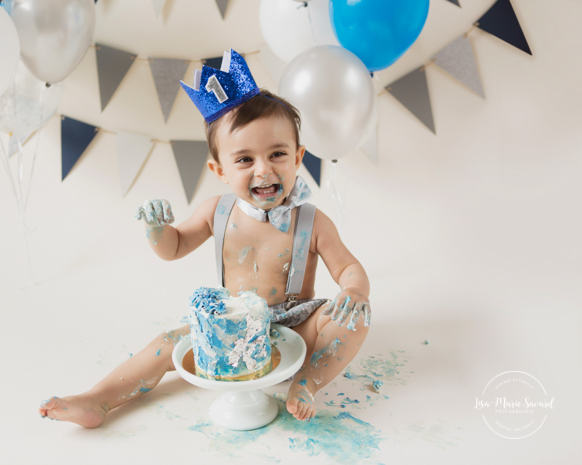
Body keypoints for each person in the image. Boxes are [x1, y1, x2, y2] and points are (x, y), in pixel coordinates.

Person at [38, 50, 371, 427]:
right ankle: (98, 400)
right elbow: (174, 247)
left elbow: (348, 267)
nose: (264, 169)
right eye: (244, 160)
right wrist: (157, 230)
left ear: (298, 158)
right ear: (219, 170)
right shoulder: (218, 212)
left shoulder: (312, 221)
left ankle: (305, 383)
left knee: (355, 321)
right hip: (229, 326)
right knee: (166, 343)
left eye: (277, 153)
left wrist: (355, 291)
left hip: (294, 328)